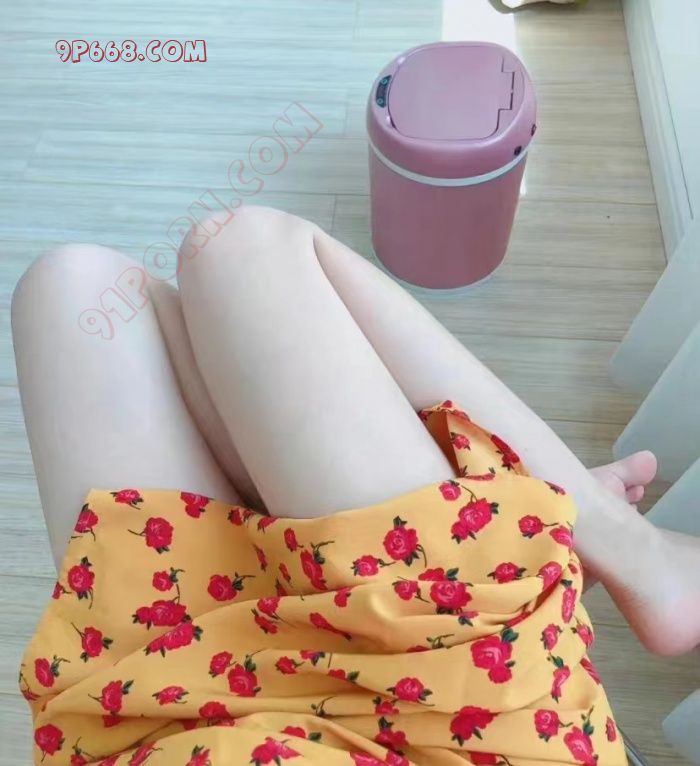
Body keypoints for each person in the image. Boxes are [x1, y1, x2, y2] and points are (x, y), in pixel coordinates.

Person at [12, 207, 699, 766]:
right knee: (239, 249)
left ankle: (544, 537)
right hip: (440, 718)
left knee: (77, 288)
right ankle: (621, 546)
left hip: (170, 712)